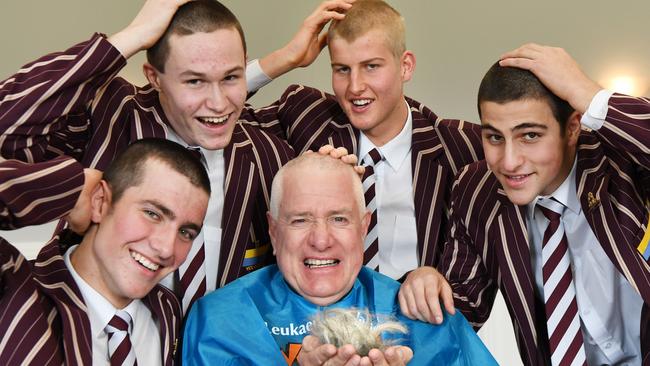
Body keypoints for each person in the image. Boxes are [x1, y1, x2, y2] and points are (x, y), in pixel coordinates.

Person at [0, 0, 363, 313]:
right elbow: (8, 127)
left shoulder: (267, 151)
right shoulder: (112, 114)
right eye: (194, 82)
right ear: (154, 78)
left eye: (232, 78)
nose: (219, 104)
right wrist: (132, 36)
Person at [241, 0, 482, 324]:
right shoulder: (303, 116)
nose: (355, 87)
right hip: (305, 339)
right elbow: (208, 115)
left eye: (371, 66)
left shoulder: (461, 145)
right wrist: (286, 58)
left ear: (405, 66)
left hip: (420, 343)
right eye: (342, 69)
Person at [437, 44, 650, 365]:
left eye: (530, 136)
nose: (509, 162)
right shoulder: (474, 190)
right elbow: (462, 306)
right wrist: (426, 286)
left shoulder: (618, 161)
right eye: (494, 137)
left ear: (573, 127)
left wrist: (592, 95)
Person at [182, 153, 497, 366]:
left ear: (363, 228)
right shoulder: (218, 320)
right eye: (300, 220)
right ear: (274, 232)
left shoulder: (423, 313)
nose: (321, 240)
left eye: (339, 219)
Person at [0, 138, 210, 365]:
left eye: (186, 233)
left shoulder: (169, 310)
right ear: (100, 201)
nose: (167, 248)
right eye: (152, 214)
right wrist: (74, 186)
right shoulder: (12, 288)